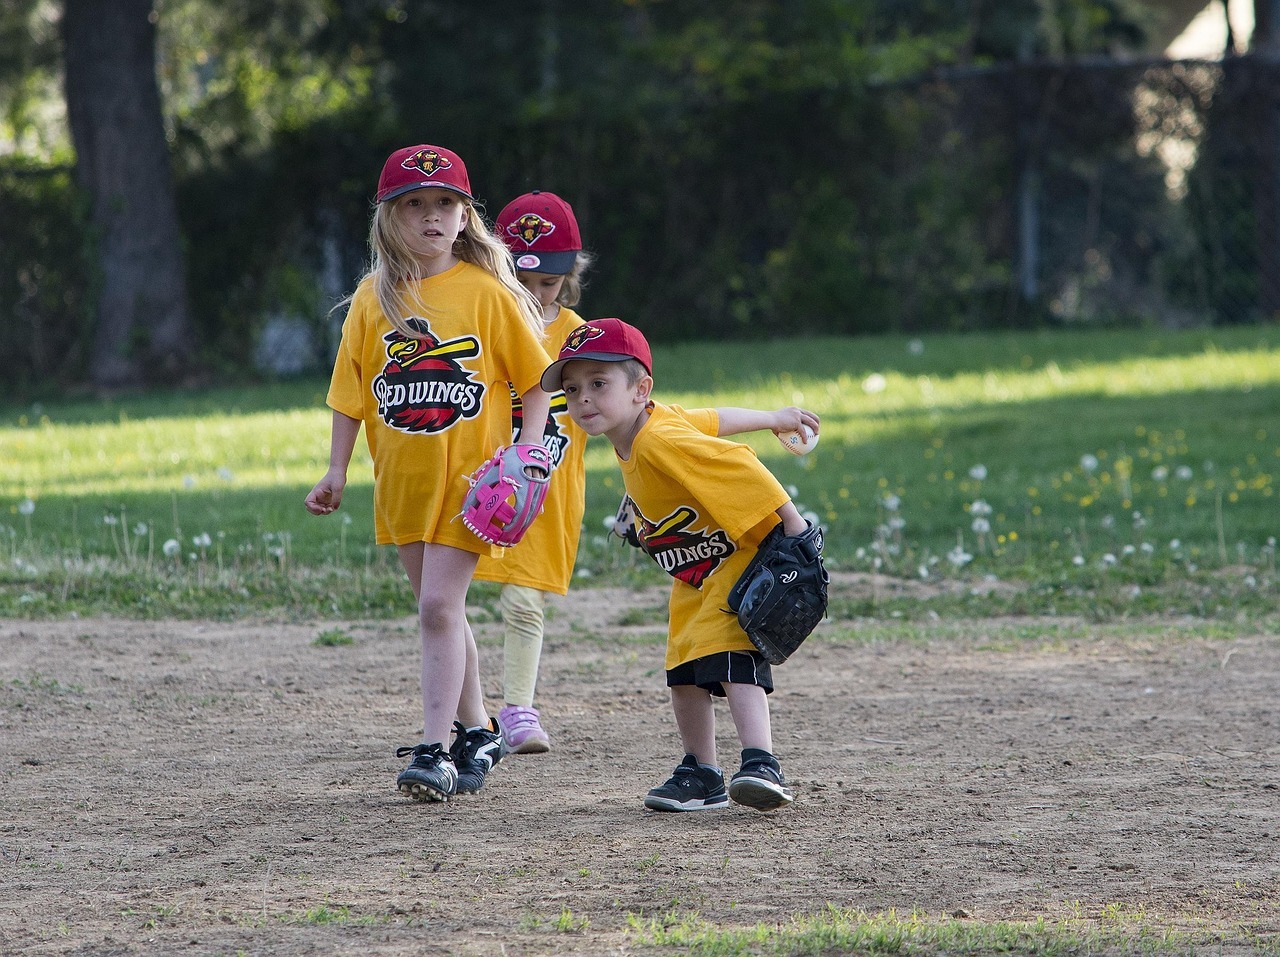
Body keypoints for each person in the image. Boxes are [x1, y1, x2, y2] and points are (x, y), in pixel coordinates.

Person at [304, 144, 552, 802]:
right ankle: (477, 732)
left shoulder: (488, 294)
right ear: (389, 218)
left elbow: (535, 385)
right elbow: (349, 393)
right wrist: (336, 470)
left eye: (446, 203)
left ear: (467, 217)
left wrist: (528, 452)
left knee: (439, 606)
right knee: (440, 610)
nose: (432, 215)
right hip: (404, 484)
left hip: (476, 486)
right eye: (414, 204)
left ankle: (435, 748)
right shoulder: (372, 298)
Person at [541, 318, 822, 812]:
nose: (583, 398)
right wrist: (773, 416)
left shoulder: (658, 440)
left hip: (740, 562)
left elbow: (739, 463)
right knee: (684, 668)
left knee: (732, 657)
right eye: (572, 388)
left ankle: (761, 762)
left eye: (599, 384)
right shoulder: (647, 425)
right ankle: (701, 772)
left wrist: (799, 536)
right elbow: (712, 418)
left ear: (640, 390)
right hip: (695, 571)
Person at [471, 190, 594, 754]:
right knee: (445, 599)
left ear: (568, 277)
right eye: (524, 282)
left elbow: (614, 411)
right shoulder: (483, 320)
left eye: (548, 283)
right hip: (478, 483)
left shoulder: (577, 336)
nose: (536, 294)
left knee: (524, 601)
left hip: (545, 491)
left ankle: (517, 708)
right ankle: (464, 704)